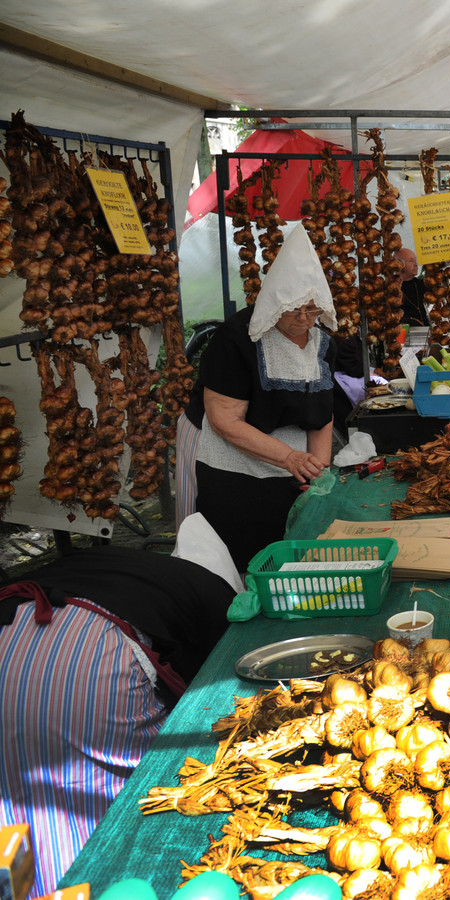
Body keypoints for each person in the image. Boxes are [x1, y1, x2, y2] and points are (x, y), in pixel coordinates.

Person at [0, 546, 234, 895]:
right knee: (142, 791)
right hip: (90, 657)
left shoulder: (100, 564)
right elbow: (219, 691)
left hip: (9, 632)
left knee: (18, 796)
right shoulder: (216, 598)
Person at [192, 227, 339, 570]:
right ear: (275, 302)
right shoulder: (236, 340)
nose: (304, 320)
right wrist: (289, 458)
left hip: (292, 466)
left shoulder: (321, 343)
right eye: (293, 311)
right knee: (243, 560)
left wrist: (318, 473)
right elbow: (224, 420)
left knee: (293, 553)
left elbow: (323, 413)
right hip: (236, 468)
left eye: (313, 310)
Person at [397, 247, 430, 327]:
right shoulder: (391, 289)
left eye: (416, 260)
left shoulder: (423, 284)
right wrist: (409, 321)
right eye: (411, 261)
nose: (416, 264)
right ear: (399, 264)